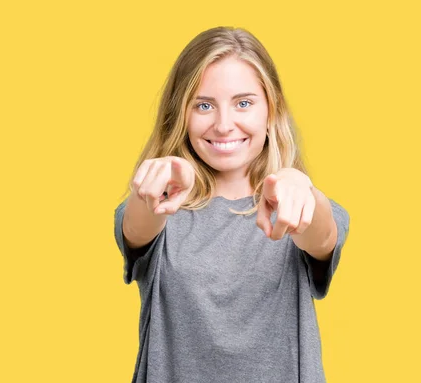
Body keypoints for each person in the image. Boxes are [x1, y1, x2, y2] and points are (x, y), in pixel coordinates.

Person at [113, 26, 350, 383]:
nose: (224, 125)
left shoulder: (294, 205)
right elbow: (136, 226)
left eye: (243, 103)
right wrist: (153, 189)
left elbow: (320, 233)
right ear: (182, 114)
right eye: (204, 105)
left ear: (271, 111)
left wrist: (304, 190)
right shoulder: (159, 210)